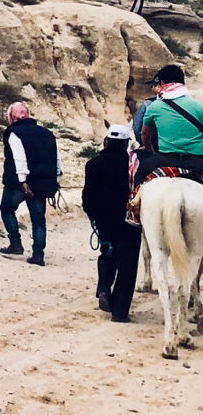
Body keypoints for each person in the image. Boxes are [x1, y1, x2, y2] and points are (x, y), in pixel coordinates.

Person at [81, 124, 138, 321]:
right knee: (127, 265)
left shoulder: (93, 164)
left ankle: (104, 289)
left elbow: (87, 197)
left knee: (107, 252)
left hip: (104, 220)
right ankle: (120, 313)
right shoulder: (133, 165)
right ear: (125, 144)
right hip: (128, 221)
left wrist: (94, 216)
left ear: (106, 142)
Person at [0, 100, 61, 266]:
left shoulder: (14, 133)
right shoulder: (47, 133)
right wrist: (57, 177)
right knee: (38, 219)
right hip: (42, 182)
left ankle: (15, 243)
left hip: (20, 183)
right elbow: (56, 157)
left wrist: (22, 181)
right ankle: (38, 255)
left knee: (7, 208)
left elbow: (20, 158)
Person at [136, 64, 203, 182]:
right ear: (183, 83)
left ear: (162, 83)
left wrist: (150, 150)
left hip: (167, 160)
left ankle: (132, 199)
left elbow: (145, 134)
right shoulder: (199, 106)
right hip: (196, 162)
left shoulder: (154, 107)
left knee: (141, 172)